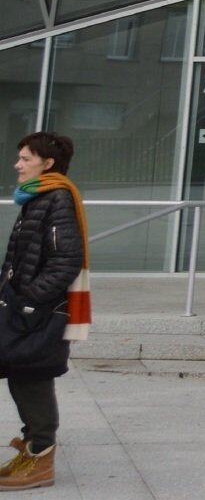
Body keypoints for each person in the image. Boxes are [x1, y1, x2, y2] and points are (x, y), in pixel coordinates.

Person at [0, 133, 87, 491]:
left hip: (37, 310)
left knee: (31, 373)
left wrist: (29, 300)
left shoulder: (57, 198)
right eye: (19, 157)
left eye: (25, 159)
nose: (18, 165)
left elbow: (66, 259)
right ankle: (32, 448)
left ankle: (40, 457)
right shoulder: (38, 197)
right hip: (22, 304)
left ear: (47, 164)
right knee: (21, 371)